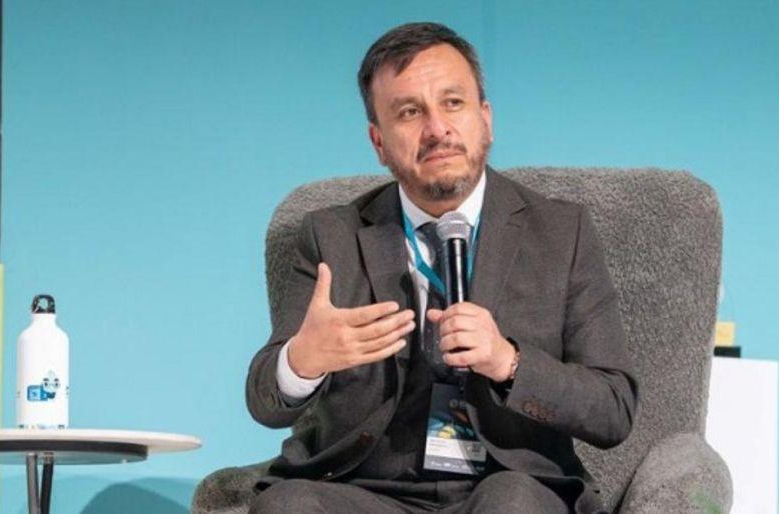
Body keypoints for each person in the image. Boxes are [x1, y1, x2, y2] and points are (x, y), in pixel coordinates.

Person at [245, 22, 637, 514]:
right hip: (368, 491)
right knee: (288, 506)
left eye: (452, 103)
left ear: (485, 119)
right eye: (409, 112)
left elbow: (614, 409)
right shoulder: (331, 236)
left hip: (508, 485)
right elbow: (264, 400)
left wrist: (508, 362)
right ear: (378, 141)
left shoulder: (562, 232)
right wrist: (303, 360)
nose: (436, 129)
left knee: (511, 504)